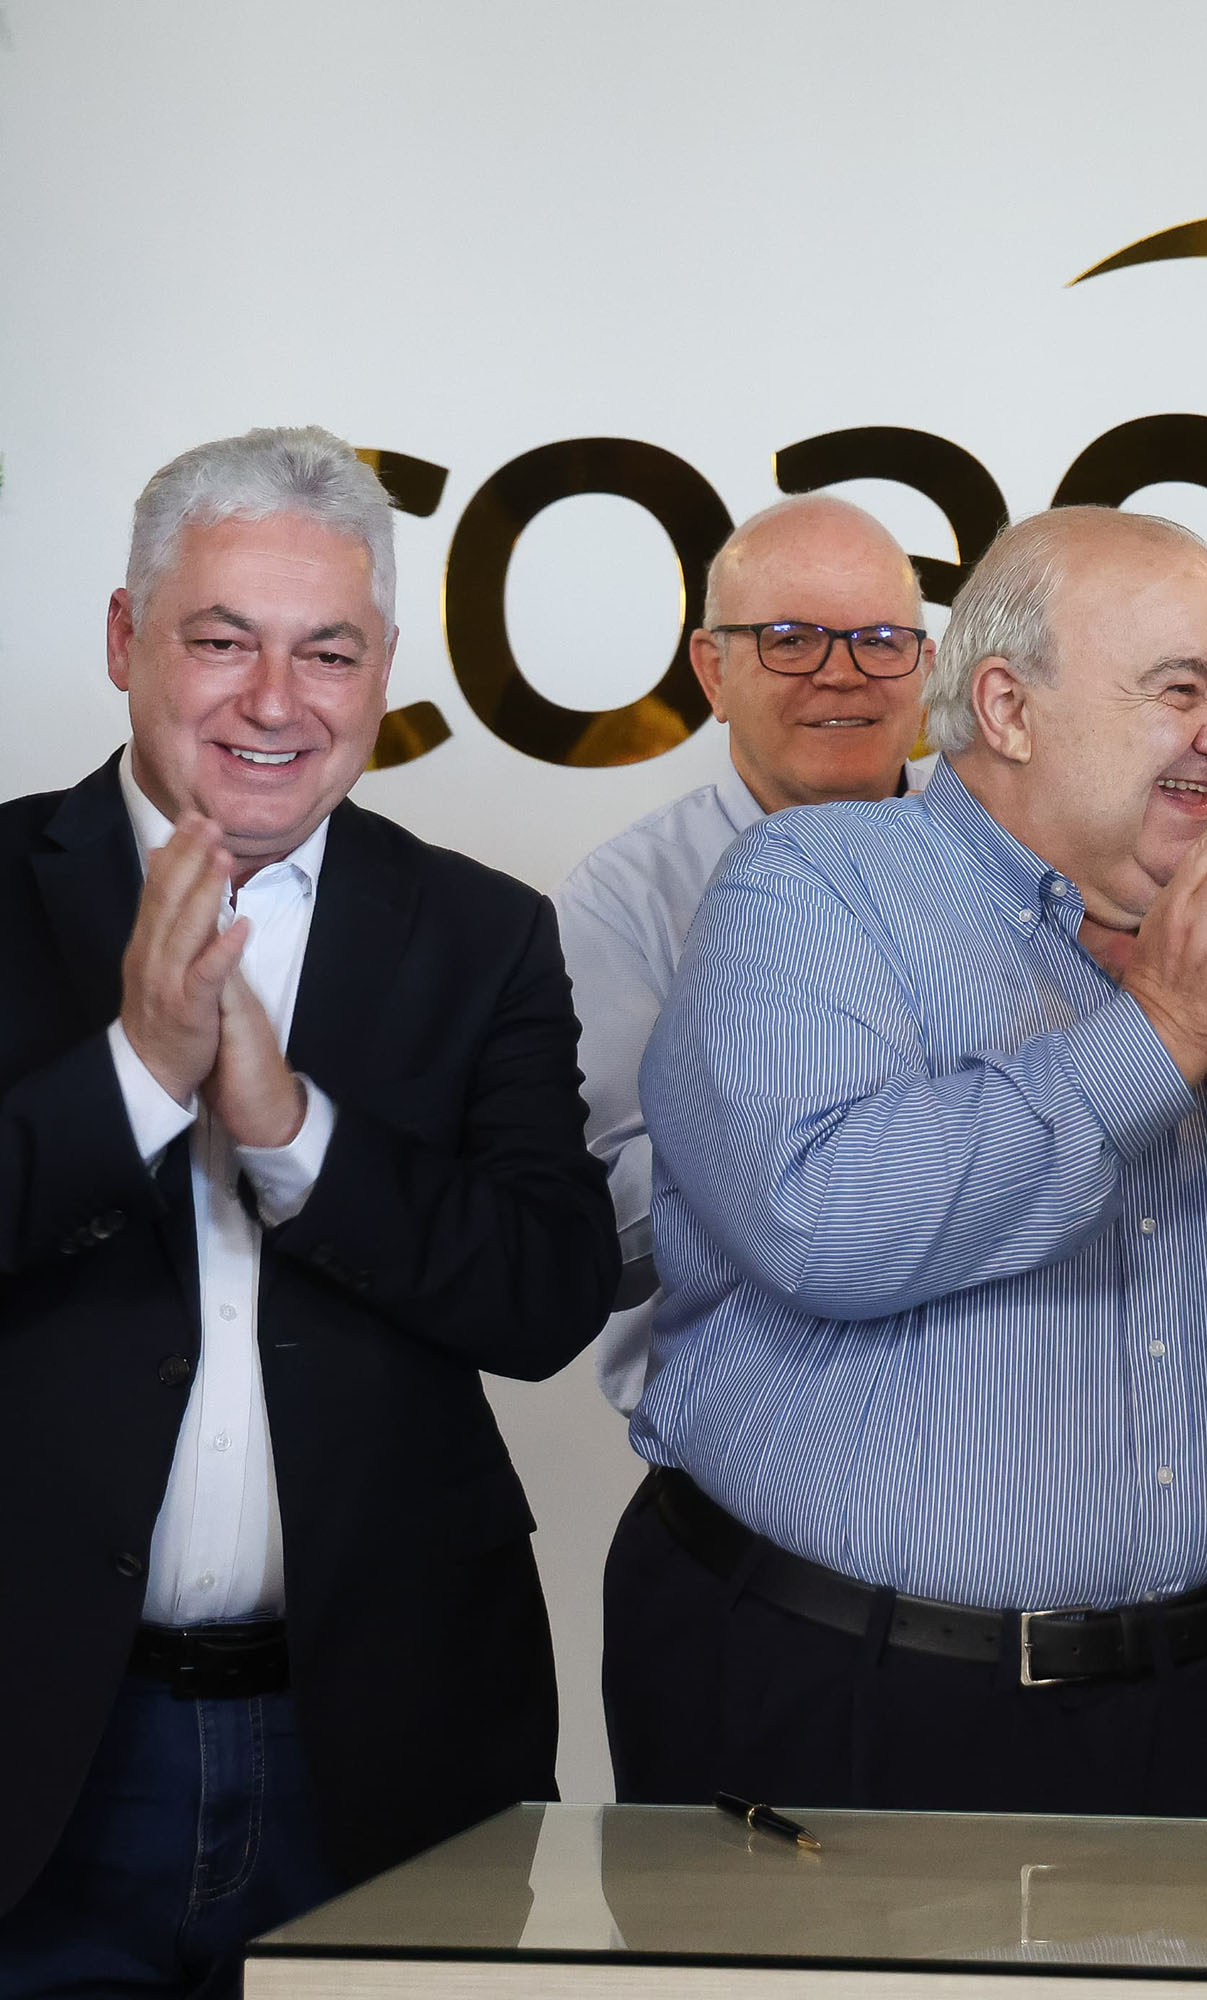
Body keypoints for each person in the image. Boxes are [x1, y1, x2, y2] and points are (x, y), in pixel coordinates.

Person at [603, 506, 1207, 1821]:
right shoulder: (811, 889)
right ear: (1008, 709)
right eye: (1180, 689)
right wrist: (1161, 1037)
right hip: (864, 1704)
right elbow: (823, 1224)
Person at [0, 428, 617, 1994]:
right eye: (223, 642)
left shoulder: (483, 932)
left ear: (382, 670)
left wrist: (292, 1134)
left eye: (327, 652)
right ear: (127, 639)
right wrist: (139, 1076)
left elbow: (547, 1298)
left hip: (386, 1748)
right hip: (39, 1752)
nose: (276, 703)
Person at [555, 495, 936, 1415]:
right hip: (754, 1447)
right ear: (712, 670)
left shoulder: (1019, 861)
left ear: (927, 669)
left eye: (881, 640)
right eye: (791, 640)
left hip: (1016, 1442)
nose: (842, 674)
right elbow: (612, 1231)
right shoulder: (620, 904)